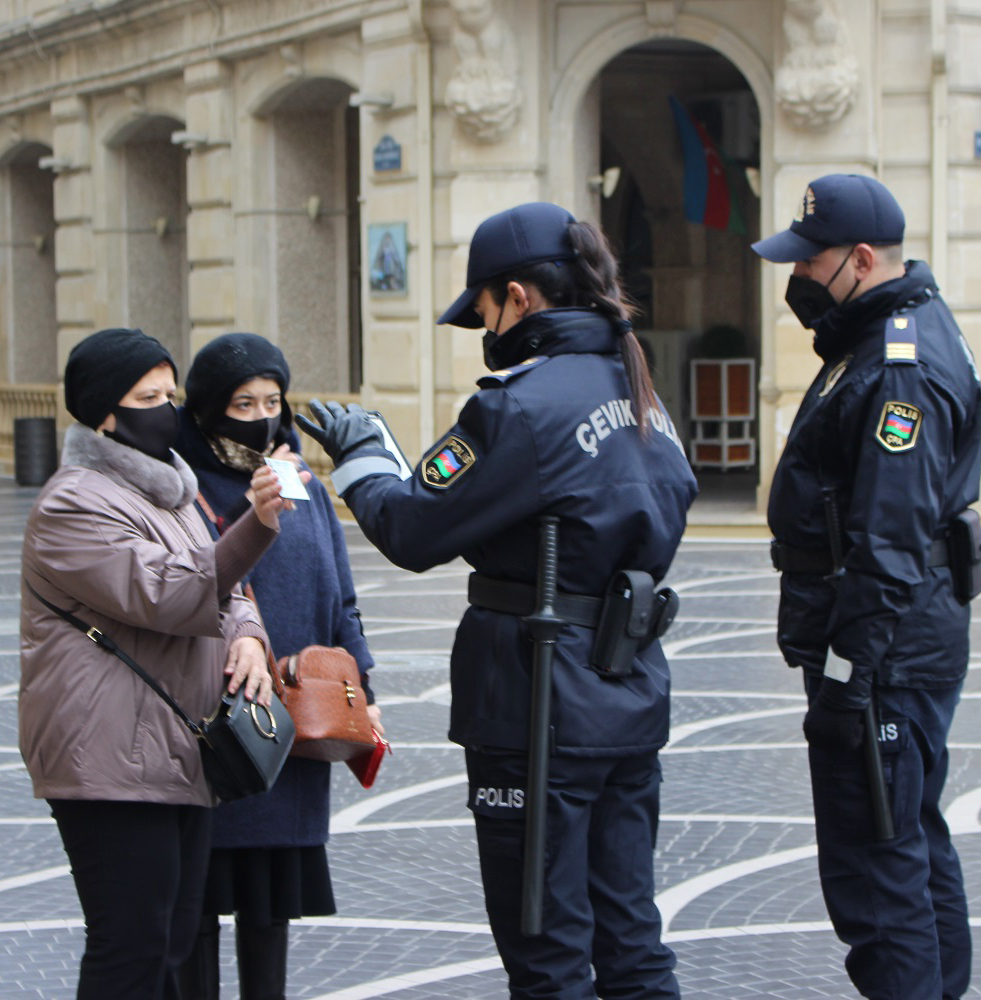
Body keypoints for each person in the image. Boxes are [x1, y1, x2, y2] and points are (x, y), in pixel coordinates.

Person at [297, 202, 697, 1000]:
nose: (483, 327)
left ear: (518, 297)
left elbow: (413, 528)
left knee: (544, 947)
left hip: (538, 703)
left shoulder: (519, 405)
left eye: (482, 309)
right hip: (626, 687)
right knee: (631, 937)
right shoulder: (640, 387)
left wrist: (365, 455)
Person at [753, 175, 981, 999]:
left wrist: (848, 677)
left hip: (884, 656)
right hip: (900, 647)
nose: (798, 279)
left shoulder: (898, 366)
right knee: (908, 844)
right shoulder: (878, 334)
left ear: (858, 260)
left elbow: (888, 542)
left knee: (878, 873)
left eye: (810, 263)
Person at [20, 327, 290, 1000]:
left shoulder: (171, 489)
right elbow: (169, 592)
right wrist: (255, 525)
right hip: (107, 754)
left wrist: (250, 636)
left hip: (178, 744)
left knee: (169, 943)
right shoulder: (72, 501)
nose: (168, 409)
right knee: (131, 948)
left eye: (171, 393)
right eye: (149, 396)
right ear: (106, 412)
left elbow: (226, 591)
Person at [172, 332, 383, 1000]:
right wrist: (250, 512)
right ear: (208, 409)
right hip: (214, 721)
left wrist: (363, 689)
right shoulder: (181, 487)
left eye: (272, 399)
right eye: (243, 402)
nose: (262, 415)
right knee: (195, 907)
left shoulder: (307, 488)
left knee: (269, 909)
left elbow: (340, 598)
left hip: (296, 723)